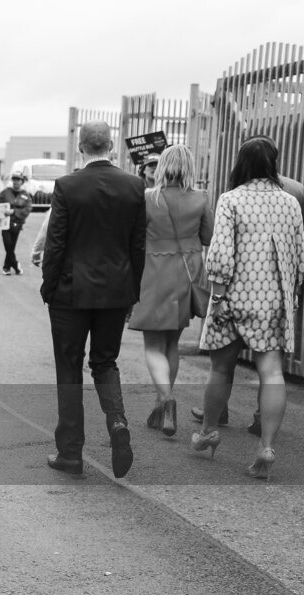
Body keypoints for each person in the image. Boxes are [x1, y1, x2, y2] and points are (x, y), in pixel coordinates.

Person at [192, 136, 304, 480]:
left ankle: (209, 431)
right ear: (274, 163)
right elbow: (302, 257)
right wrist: (292, 291)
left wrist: (217, 290)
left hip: (233, 298)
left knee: (221, 369)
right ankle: (267, 447)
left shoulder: (231, 200)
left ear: (241, 163)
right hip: (273, 300)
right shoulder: (290, 202)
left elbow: (220, 254)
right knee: (272, 372)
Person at [40, 121, 146, 478]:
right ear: (112, 145)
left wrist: (48, 287)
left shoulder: (67, 186)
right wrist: (132, 291)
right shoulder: (134, 186)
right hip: (115, 290)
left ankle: (70, 452)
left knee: (69, 368)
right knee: (105, 361)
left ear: (81, 147)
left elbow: (56, 242)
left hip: (70, 291)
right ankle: (117, 422)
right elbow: (137, 246)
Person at [126, 145, 214, 438]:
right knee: (171, 345)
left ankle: (165, 399)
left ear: (162, 166)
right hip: (187, 274)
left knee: (152, 346)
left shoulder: (148, 198)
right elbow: (207, 237)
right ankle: (161, 400)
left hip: (153, 273)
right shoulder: (201, 198)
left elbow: (134, 238)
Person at [0, 170, 32, 276]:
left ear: (22, 181)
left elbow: (28, 208)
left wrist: (15, 212)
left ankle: (6, 267)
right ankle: (15, 265)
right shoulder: (5, 192)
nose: (16, 182)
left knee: (11, 246)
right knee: (8, 244)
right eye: (14, 179)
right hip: (5, 223)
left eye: (18, 180)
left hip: (17, 223)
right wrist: (0, 215)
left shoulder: (25, 195)